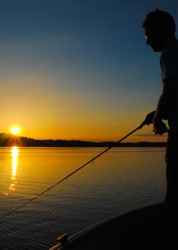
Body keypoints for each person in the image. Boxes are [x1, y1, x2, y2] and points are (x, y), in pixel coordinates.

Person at [141, 9, 178, 243]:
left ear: (161, 30)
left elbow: (172, 89)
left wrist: (157, 119)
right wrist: (157, 112)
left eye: (148, 35)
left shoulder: (169, 52)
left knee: (175, 194)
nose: (147, 42)